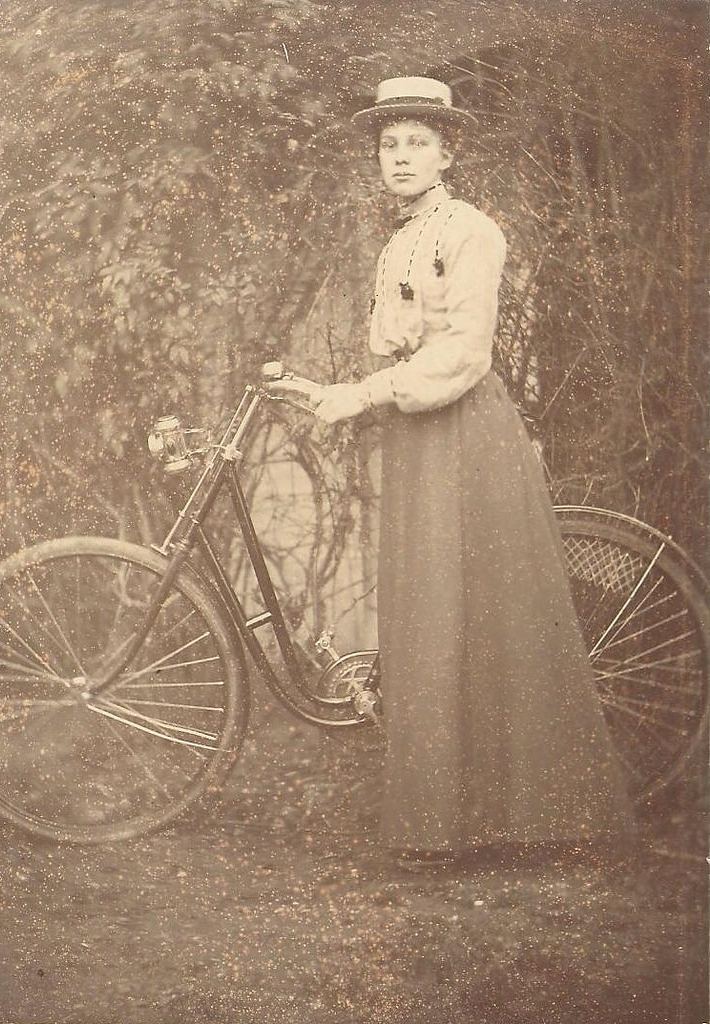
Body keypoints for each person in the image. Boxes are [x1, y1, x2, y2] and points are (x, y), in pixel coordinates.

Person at [271, 76, 634, 862]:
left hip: (463, 429)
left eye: (416, 144)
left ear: (447, 152)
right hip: (413, 430)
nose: (400, 158)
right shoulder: (401, 237)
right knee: (428, 615)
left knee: (478, 613)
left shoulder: (470, 231)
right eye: (388, 146)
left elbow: (462, 356)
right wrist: (336, 393)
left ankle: (526, 819)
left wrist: (357, 396)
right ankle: (444, 820)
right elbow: (392, 341)